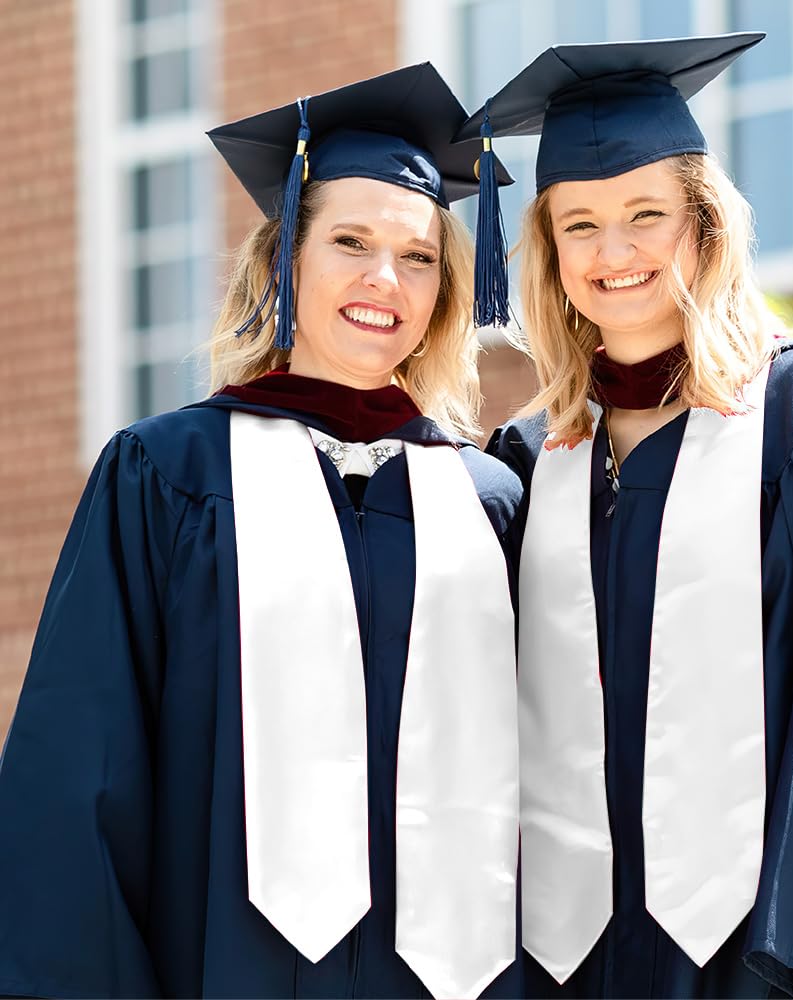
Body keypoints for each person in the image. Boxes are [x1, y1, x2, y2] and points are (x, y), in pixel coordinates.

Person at [0, 64, 522, 1000]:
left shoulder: (486, 498)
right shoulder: (168, 476)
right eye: (351, 242)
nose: (382, 279)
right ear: (284, 259)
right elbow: (82, 777)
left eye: (417, 256)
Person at [462, 34, 793, 999]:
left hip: (753, 961)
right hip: (555, 965)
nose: (616, 253)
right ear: (549, 254)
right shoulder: (526, 461)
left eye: (648, 215)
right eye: (581, 225)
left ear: (705, 227)